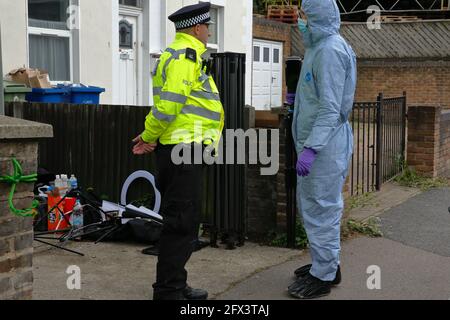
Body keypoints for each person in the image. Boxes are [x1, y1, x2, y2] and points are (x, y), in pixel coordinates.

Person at [132, 2, 224, 301]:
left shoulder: (179, 54)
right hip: (184, 150)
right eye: (207, 27)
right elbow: (169, 104)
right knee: (181, 224)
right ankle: (169, 292)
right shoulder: (186, 56)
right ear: (197, 28)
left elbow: (171, 105)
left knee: (183, 222)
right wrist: (148, 135)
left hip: (183, 149)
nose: (209, 32)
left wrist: (151, 136)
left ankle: (175, 284)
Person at [288, 0, 357, 299]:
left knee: (322, 210)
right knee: (314, 208)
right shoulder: (318, 46)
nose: (300, 20)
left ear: (317, 16)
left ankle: (324, 275)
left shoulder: (329, 50)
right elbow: (318, 97)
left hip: (324, 148)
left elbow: (331, 109)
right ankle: (325, 264)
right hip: (317, 145)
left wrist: (311, 148)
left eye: (304, 15)